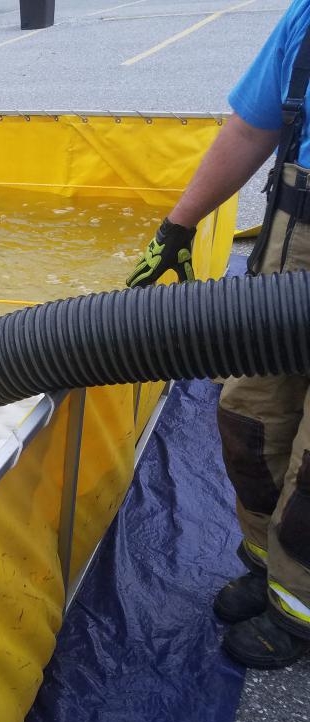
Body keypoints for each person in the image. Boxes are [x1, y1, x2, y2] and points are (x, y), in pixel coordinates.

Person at [126, 0, 310, 669]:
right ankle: (272, 571)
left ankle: (301, 611)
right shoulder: (306, 20)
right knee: (247, 417)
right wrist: (177, 227)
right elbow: (251, 128)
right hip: (292, 256)